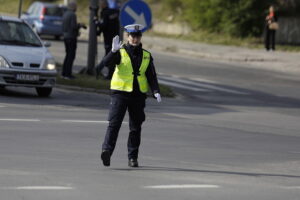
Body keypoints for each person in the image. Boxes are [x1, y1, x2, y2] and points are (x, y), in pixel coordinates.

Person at [100, 24, 161, 168]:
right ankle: (106, 151)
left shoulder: (146, 55)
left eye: (137, 36)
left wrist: (156, 90)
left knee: (135, 127)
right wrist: (112, 51)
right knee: (114, 124)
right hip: (120, 94)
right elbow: (106, 63)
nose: (135, 38)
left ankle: (133, 157)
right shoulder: (120, 52)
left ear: (140, 37)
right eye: (132, 36)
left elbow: (151, 75)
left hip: (138, 96)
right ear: (127, 36)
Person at [94, 0, 120, 79]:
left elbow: (103, 25)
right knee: (112, 55)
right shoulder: (113, 12)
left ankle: (102, 71)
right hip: (115, 37)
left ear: (103, 4)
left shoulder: (105, 13)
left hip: (108, 38)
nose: (100, 5)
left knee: (109, 56)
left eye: (100, 4)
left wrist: (96, 22)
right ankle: (107, 72)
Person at [62, 1, 86, 79]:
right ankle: (68, 74)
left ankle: (64, 73)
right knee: (71, 56)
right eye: (75, 6)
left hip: (65, 37)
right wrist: (79, 25)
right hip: (71, 37)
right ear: (73, 7)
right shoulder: (72, 15)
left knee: (67, 55)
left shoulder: (65, 13)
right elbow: (73, 26)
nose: (76, 8)